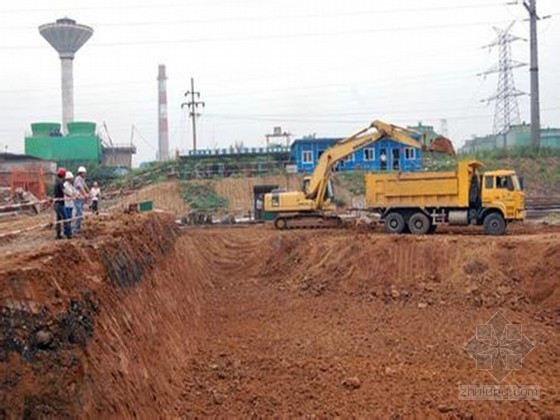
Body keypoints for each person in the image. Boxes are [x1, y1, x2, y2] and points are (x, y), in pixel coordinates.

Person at [73, 166, 89, 234]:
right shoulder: (77, 179)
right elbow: (81, 187)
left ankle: (78, 228)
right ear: (81, 173)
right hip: (78, 198)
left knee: (80, 213)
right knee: (78, 213)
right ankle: (75, 229)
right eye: (84, 173)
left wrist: (89, 192)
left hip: (81, 198)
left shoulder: (82, 179)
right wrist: (85, 194)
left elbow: (85, 186)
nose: (85, 174)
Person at [63, 171, 78, 239]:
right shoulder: (65, 185)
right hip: (67, 204)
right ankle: (67, 232)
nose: (73, 179)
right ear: (69, 178)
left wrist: (78, 194)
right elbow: (67, 193)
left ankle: (68, 231)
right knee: (67, 218)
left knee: (70, 218)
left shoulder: (70, 185)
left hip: (70, 204)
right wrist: (73, 195)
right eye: (72, 178)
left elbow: (75, 191)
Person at [53, 167, 66, 240]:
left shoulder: (56, 182)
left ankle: (58, 235)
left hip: (56, 203)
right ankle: (66, 233)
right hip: (60, 204)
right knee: (65, 219)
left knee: (58, 219)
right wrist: (72, 195)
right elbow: (64, 191)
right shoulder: (60, 182)